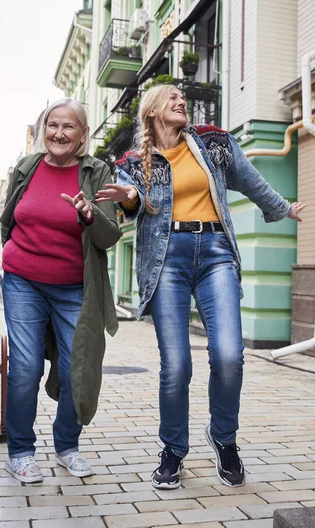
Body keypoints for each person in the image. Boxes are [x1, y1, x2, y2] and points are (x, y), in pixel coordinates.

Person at [96, 84, 305, 490]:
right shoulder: (135, 161)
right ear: (153, 112)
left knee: (229, 355)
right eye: (171, 97)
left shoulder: (213, 143)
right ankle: (173, 450)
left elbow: (249, 179)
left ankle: (224, 438)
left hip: (216, 253)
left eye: (182, 98)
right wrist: (128, 198)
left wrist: (282, 207)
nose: (180, 101)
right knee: (176, 366)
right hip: (166, 259)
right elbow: (133, 201)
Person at [0, 98, 120, 483]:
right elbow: (9, 218)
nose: (59, 133)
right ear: (42, 130)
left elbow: (110, 235)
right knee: (25, 367)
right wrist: (8, 254)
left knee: (77, 369)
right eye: (52, 125)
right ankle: (20, 451)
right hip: (23, 280)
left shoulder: (96, 171)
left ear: (83, 134)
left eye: (69, 127)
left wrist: (89, 215)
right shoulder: (27, 167)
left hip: (74, 288)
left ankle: (67, 445)